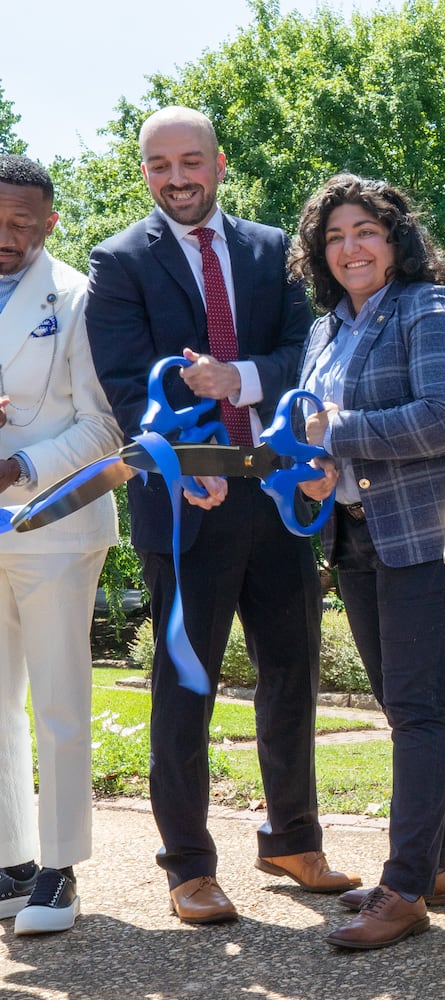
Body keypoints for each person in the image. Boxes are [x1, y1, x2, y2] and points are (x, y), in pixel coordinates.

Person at [85, 106, 358, 924]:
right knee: (186, 687)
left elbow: (302, 352)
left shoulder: (276, 251)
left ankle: (291, 839)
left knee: (292, 675)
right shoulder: (120, 259)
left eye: (191, 161)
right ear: (145, 173)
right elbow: (128, 384)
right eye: (161, 164)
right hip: (185, 506)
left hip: (276, 495)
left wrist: (235, 380)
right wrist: (184, 464)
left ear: (219, 163)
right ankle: (189, 868)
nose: (178, 177)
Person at [282, 174, 445, 949]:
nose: (351, 247)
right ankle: (442, 866)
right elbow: (319, 437)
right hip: (355, 534)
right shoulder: (324, 331)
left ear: (397, 240)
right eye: (335, 236)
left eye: (367, 232)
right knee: (402, 705)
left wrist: (335, 430)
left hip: (438, 535)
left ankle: (406, 887)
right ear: (319, 253)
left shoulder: (431, 307)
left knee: (416, 707)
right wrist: (313, 464)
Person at [0, 155, 121, 934]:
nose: (6, 235)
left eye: (22, 222)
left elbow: (105, 425)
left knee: (59, 701)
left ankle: (60, 866)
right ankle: (10, 859)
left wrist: (17, 465)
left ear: (49, 222)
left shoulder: (78, 296)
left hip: (54, 526)